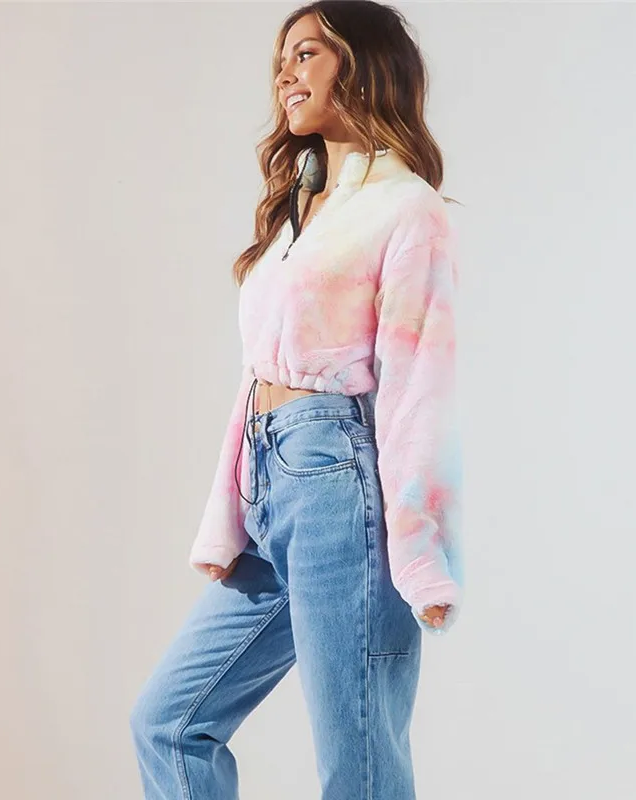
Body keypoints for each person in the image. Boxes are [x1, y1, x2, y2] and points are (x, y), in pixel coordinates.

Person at [130, 2, 464, 797]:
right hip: (269, 485)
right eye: (282, 58)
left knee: (358, 765)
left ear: (364, 66)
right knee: (169, 724)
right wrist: (230, 511)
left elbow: (419, 388)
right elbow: (257, 376)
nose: (285, 72)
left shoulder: (405, 209)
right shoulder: (297, 210)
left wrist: (422, 554)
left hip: (338, 490)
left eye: (307, 53)